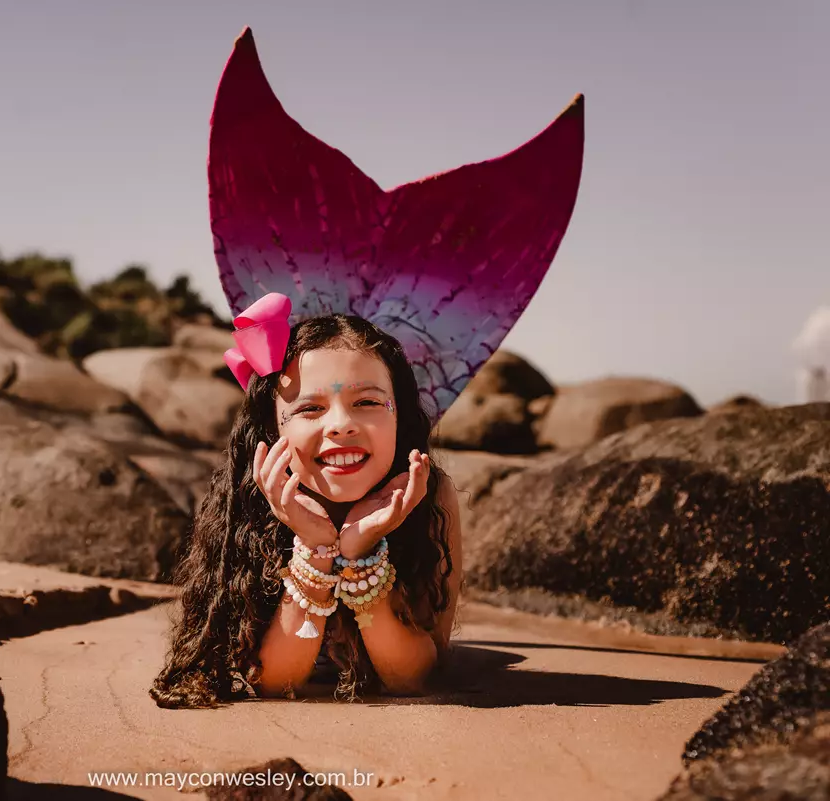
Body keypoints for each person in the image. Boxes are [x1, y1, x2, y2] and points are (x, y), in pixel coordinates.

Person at [150, 27, 584, 708]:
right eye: (310, 408)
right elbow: (274, 678)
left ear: (404, 412)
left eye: (368, 402)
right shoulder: (252, 492)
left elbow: (413, 673)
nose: (341, 426)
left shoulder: (426, 493)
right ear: (273, 425)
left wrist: (363, 553)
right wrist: (316, 548)